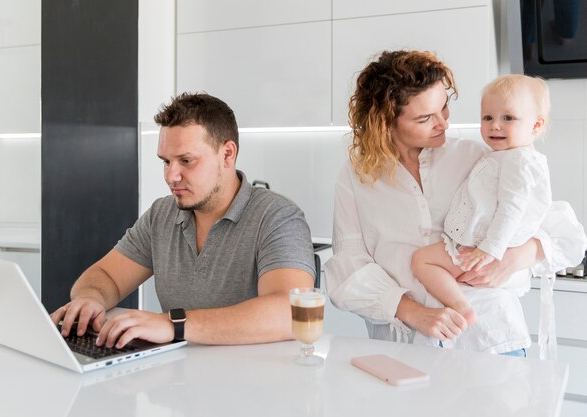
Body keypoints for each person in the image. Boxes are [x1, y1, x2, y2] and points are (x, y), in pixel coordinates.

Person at [325, 50, 586, 356]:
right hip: (403, 349)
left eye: (444, 108)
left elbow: (567, 235)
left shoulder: (482, 158)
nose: (443, 124)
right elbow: (347, 267)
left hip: (491, 342)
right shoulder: (356, 177)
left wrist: (516, 257)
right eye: (425, 118)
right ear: (385, 124)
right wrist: (410, 311)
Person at [51, 92, 316, 348]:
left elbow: (289, 312)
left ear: (227, 154)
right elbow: (105, 275)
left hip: (254, 384)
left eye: (186, 161)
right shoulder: (161, 215)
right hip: (176, 382)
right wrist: (91, 299)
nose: (170, 176)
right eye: (166, 161)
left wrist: (172, 325)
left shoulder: (278, 217)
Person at [411, 74, 552, 327]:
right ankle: (462, 308)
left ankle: (462, 308)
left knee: (422, 260)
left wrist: (489, 249)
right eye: (488, 117)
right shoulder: (502, 157)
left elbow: (512, 209)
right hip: (482, 249)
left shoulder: (518, 162)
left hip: (486, 250)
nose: (495, 125)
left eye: (508, 118)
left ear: (536, 126)